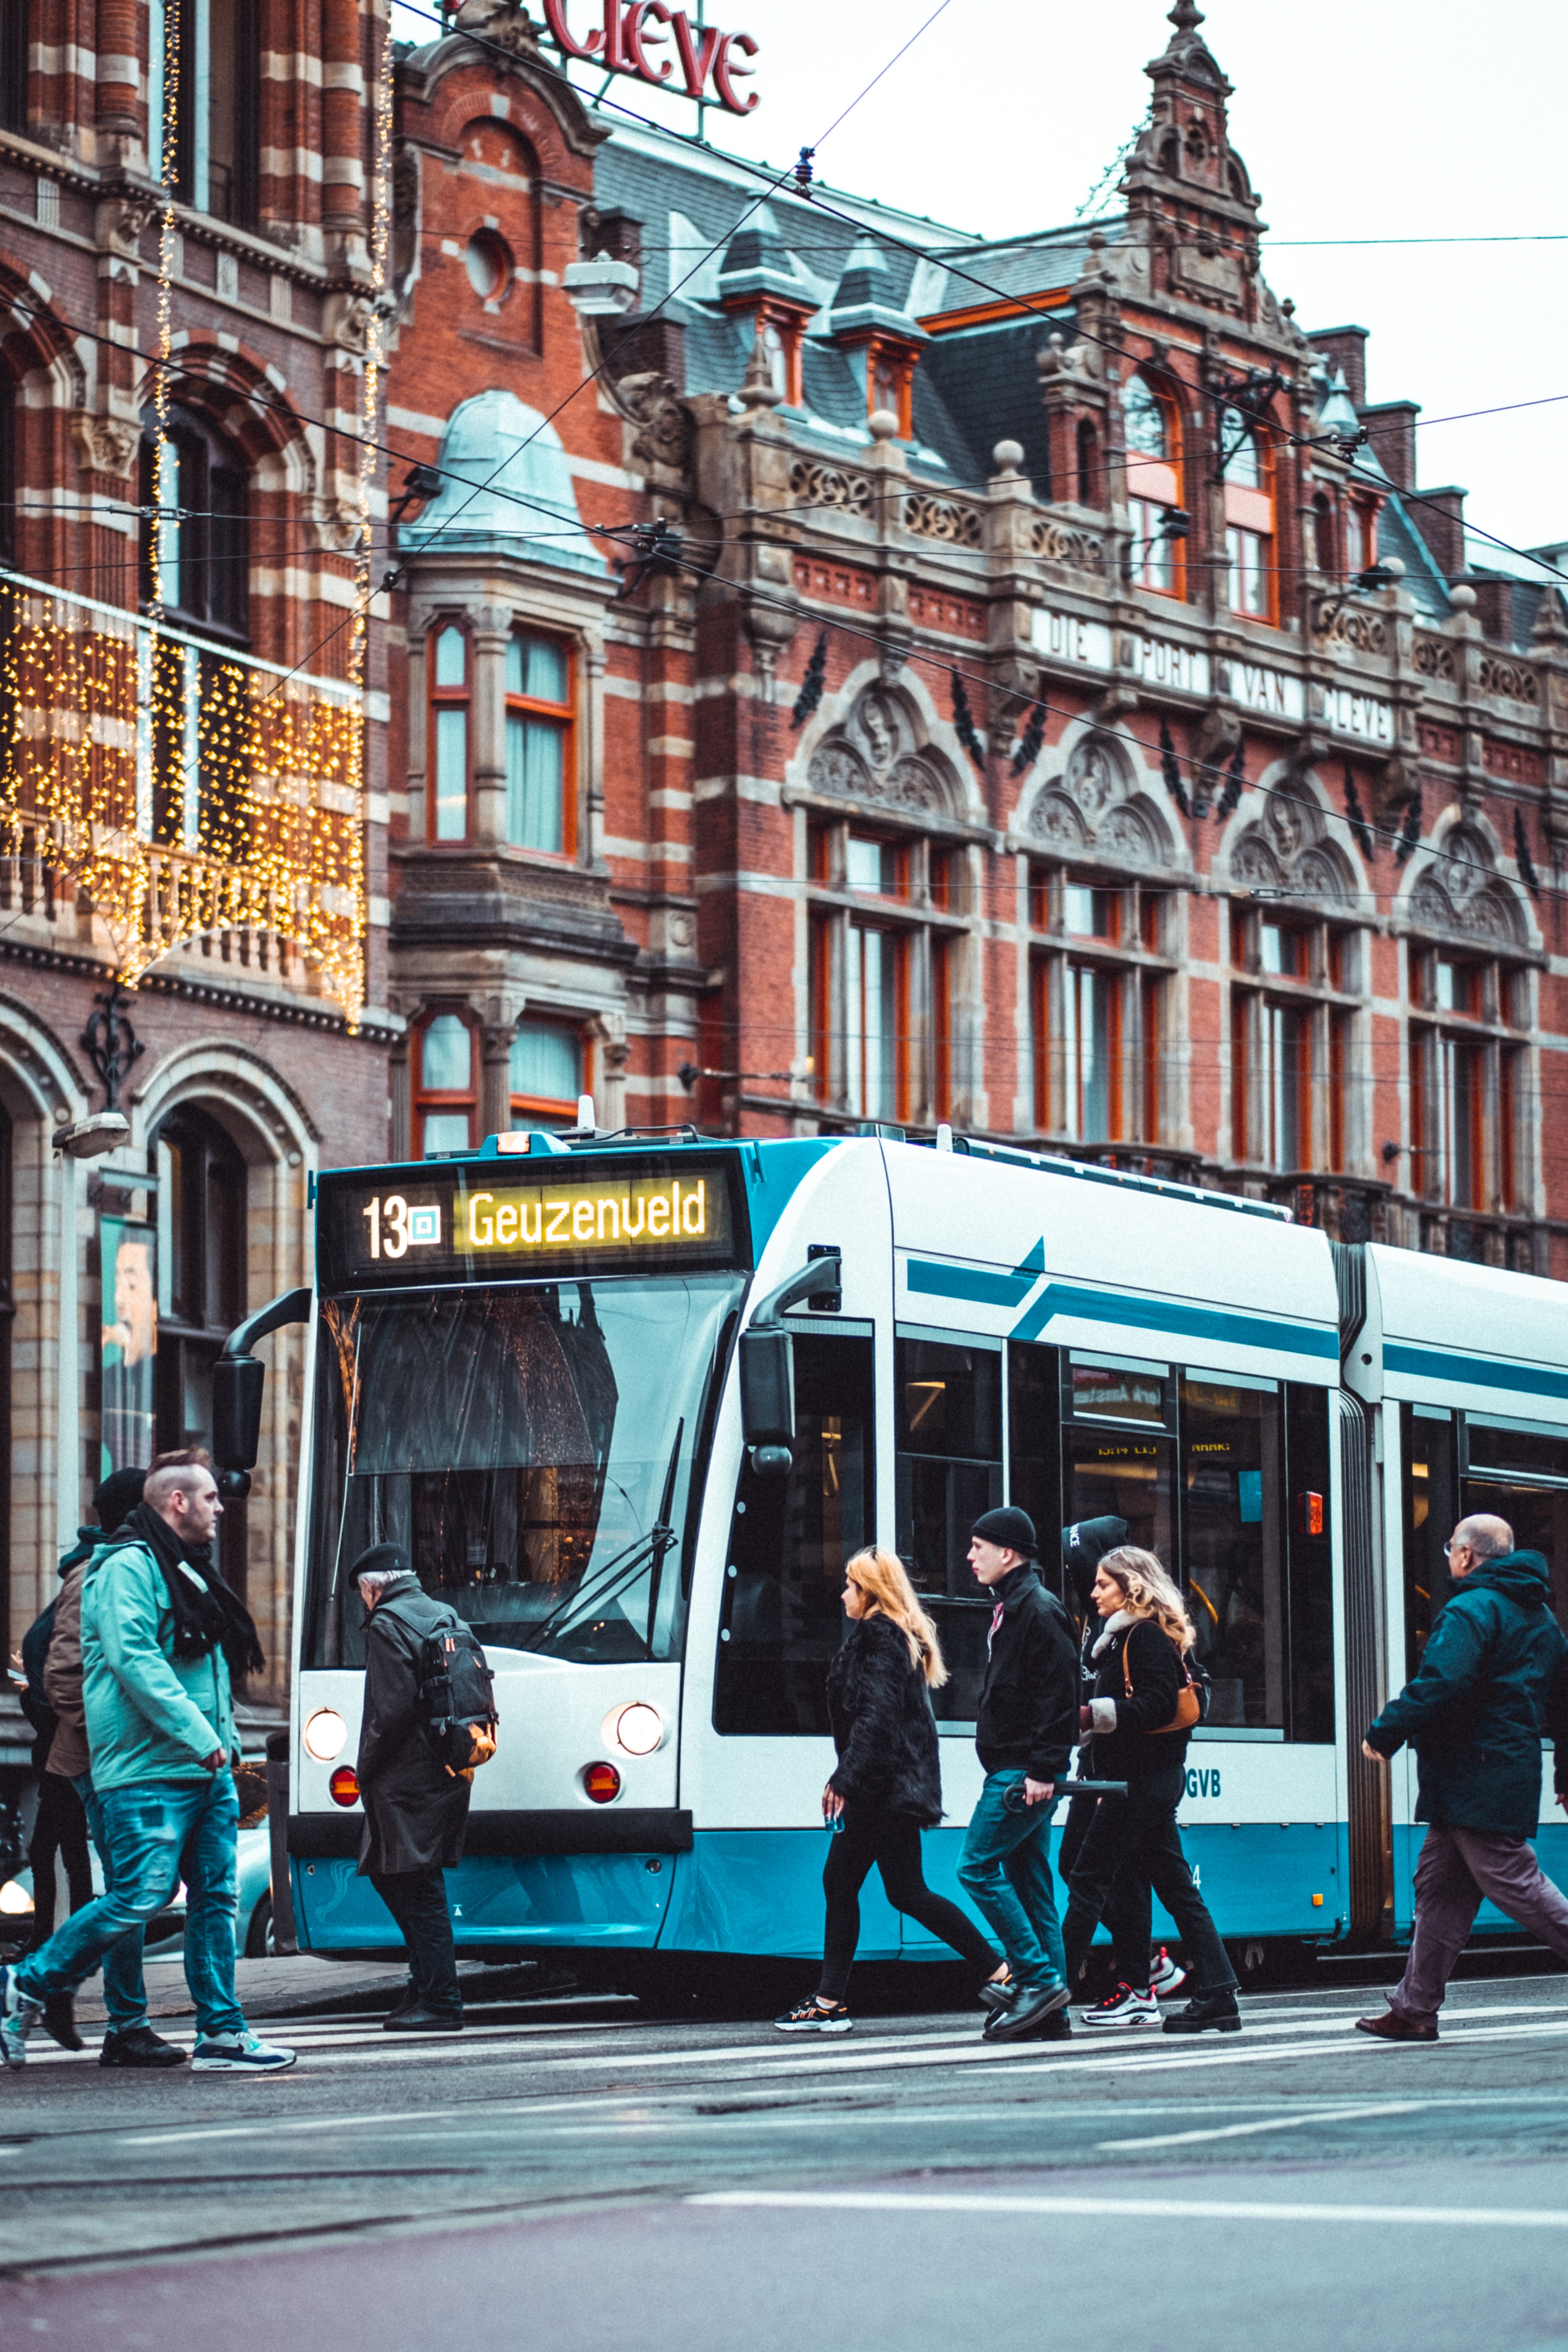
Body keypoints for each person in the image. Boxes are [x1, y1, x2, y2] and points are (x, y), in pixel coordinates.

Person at [0, 1450, 295, 2073]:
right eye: (211, 1497)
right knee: (142, 1893)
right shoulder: (125, 1567)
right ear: (177, 1502)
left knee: (215, 1897)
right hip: (145, 1769)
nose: (222, 1507)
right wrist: (199, 1732)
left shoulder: (186, 1569)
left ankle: (221, 2031)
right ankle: (28, 1981)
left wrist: (228, 1739)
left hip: (201, 1767)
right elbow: (136, 1658)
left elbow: (204, 1667)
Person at [775, 1547, 1007, 2033]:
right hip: (891, 1787)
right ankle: (1000, 1973)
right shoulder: (893, 1636)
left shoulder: (879, 1637)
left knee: (846, 1884)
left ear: (869, 1592)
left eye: (849, 1585)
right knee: (904, 1891)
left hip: (881, 1789)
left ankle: (829, 2001)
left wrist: (846, 1780)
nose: (842, 1594)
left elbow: (875, 1718)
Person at [1357, 1512, 1568, 2043]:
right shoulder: (1541, 1618)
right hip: (1482, 1777)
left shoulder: (1470, 1609)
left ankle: (1414, 2008)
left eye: (1452, 1546)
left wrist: (1385, 1732)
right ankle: (1414, 2009)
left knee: (1517, 1886)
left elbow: (1442, 1682)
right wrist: (1565, 1772)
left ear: (1467, 1556)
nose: (1449, 1555)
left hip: (1476, 1777)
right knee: (1440, 1890)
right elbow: (1565, 1706)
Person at [1062, 1545, 1241, 2035]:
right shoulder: (1131, 1638)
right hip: (1145, 1781)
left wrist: (1091, 1718)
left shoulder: (1143, 1637)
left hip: (1137, 1783)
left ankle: (1050, 1994)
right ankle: (1218, 1993)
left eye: (1103, 1584)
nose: (1094, 1592)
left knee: (1087, 1878)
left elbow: (1159, 1706)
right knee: (1176, 1889)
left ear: (1131, 1587)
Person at [41, 1467, 184, 2066]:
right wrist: (111, 1736)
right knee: (133, 1890)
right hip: (105, 1761)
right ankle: (102, 2010)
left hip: (123, 1758)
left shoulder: (133, 1564)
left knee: (137, 1888)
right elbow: (61, 1674)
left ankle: (115, 2015)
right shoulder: (101, 1572)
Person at [956, 1506, 1079, 2043]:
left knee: (975, 1868)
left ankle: (1037, 1978)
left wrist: (1044, 1769)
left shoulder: (1036, 1608)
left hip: (1020, 1774)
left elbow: (1059, 1692)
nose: (969, 1557)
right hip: (1018, 1768)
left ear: (1007, 1553)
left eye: (978, 1547)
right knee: (1032, 1888)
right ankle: (1051, 2011)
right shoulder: (1015, 1605)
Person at [352, 1543, 472, 2032]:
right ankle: (423, 1985)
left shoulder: (387, 1623)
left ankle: (442, 2000)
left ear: (372, 1585)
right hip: (446, 1772)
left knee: (417, 1887)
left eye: (362, 1592)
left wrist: (365, 1767)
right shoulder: (443, 1614)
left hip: (404, 1778)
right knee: (399, 1877)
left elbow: (392, 1709)